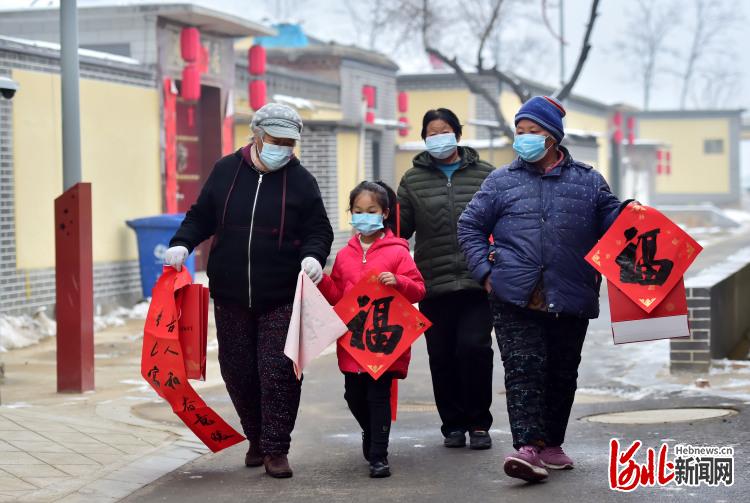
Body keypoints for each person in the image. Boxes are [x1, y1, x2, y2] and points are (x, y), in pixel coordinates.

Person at [458, 96, 632, 482]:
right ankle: (527, 447)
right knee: (524, 370)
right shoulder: (501, 181)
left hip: (570, 292)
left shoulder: (588, 181)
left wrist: (630, 214)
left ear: (552, 136)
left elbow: (614, 225)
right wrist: (485, 272)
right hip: (514, 294)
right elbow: (469, 225)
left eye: (532, 132)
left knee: (562, 372)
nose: (524, 139)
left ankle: (552, 443)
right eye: (519, 132)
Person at [164, 103, 333, 478]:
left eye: (290, 143)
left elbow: (319, 230)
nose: (284, 149)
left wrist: (314, 257)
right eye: (276, 141)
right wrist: (183, 243)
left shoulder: (301, 180)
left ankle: (276, 449)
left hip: (282, 294)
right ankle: (255, 437)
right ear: (257, 136)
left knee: (277, 370)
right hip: (230, 292)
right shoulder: (227, 170)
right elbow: (201, 215)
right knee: (238, 371)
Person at [397, 108, 495, 450]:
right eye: (431, 133)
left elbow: (503, 222)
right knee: (441, 355)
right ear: (424, 139)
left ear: (457, 133)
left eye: (445, 131)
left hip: (477, 280)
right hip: (433, 283)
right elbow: (399, 232)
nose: (439, 138)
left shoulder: (486, 174)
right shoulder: (412, 180)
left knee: (474, 349)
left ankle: (479, 423)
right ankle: (452, 424)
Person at [318, 181, 426, 478]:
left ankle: (379, 455)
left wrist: (399, 282)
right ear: (350, 213)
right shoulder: (343, 255)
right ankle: (370, 432)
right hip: (352, 341)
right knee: (353, 396)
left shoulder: (399, 253)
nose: (364, 216)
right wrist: (320, 280)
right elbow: (338, 296)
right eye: (358, 211)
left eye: (371, 211)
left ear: (385, 213)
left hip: (383, 343)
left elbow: (418, 290)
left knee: (378, 397)